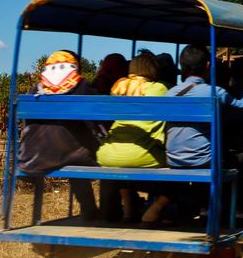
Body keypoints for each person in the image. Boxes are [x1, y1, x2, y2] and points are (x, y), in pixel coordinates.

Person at [17, 50, 106, 221]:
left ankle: (89, 208)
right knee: (91, 156)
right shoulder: (82, 87)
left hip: (31, 156)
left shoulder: (35, 89)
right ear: (75, 66)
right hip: (65, 154)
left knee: (72, 154)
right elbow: (100, 119)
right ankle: (105, 210)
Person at [97, 51, 169, 224]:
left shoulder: (118, 87)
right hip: (142, 155)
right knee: (180, 165)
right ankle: (155, 210)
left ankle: (129, 207)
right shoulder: (160, 88)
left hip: (107, 154)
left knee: (123, 159)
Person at [165, 45, 243, 168]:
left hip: (173, 160)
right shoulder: (215, 92)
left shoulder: (170, 93)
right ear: (208, 66)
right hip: (205, 160)